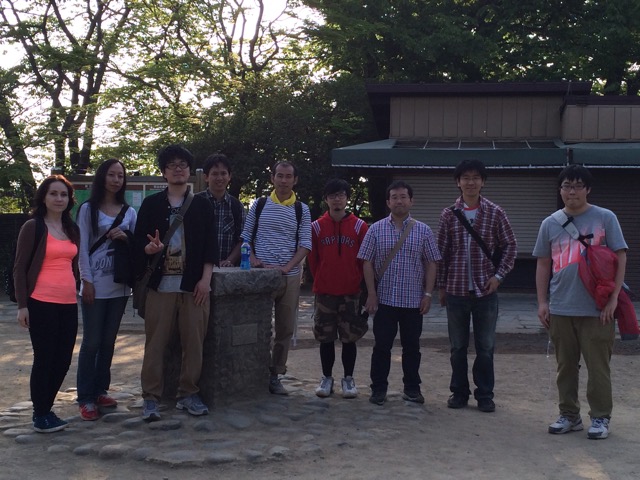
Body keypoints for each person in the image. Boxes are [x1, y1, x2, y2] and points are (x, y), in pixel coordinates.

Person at [533, 164, 627, 440]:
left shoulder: (605, 218)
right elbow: (542, 263)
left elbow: (621, 257)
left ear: (588, 189)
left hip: (597, 308)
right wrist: (542, 302)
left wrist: (613, 299)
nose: (571, 191)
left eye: (577, 186)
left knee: (598, 366)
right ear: (560, 190)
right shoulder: (549, 223)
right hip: (561, 306)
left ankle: (600, 418)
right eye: (566, 186)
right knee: (565, 366)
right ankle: (569, 415)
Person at [134, 144, 217, 421]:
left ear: (190, 171)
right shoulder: (151, 204)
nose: (178, 169)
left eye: (183, 164)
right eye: (172, 165)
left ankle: (188, 393)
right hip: (160, 286)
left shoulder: (202, 204)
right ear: (164, 173)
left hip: (193, 286)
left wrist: (205, 281)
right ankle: (150, 397)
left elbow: (209, 247)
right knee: (155, 343)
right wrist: (148, 250)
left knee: (194, 343)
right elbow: (138, 244)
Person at [436, 159, 517, 413]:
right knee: (457, 347)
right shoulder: (449, 214)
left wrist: (499, 276)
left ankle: (485, 395)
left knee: (485, 347)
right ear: (458, 182)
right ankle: (459, 392)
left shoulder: (495, 212)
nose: (470, 182)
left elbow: (510, 246)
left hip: (486, 292)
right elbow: (441, 252)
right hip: (456, 291)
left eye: (475, 177)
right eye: (465, 178)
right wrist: (441, 286)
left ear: (483, 181)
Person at [358, 180, 440, 406]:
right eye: (394, 197)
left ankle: (412, 388)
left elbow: (432, 262)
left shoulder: (423, 230)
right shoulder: (375, 229)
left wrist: (428, 294)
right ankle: (378, 389)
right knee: (381, 347)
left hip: (413, 301)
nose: (399, 201)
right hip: (384, 299)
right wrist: (371, 293)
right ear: (388, 202)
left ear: (411, 201)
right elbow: (366, 261)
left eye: (403, 196)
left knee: (412, 348)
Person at [14, 175, 80, 433]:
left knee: (63, 359)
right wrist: (22, 305)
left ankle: (46, 408)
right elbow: (19, 268)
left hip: (68, 302)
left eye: (63, 194)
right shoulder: (33, 227)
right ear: (44, 197)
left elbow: (73, 266)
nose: (59, 199)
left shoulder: (71, 229)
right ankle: (40, 414)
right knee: (44, 358)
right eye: (54, 193)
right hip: (40, 301)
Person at [241, 161, 312, 395]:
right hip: (260, 275)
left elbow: (305, 245)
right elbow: (246, 237)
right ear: (272, 178)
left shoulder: (301, 209)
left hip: (289, 276)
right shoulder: (260, 204)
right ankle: (252, 371)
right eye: (279, 176)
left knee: (284, 328)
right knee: (256, 325)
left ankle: (275, 373)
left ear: (295, 180)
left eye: (288, 176)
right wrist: (252, 258)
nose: (283, 180)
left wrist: (286, 267)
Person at [76, 159, 137, 421]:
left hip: (119, 285)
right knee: (91, 342)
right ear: (102, 177)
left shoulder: (129, 212)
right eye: (111, 175)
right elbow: (81, 248)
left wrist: (126, 237)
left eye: (120, 176)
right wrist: (86, 281)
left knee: (109, 342)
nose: (116, 180)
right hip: (94, 285)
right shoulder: (88, 209)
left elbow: (137, 247)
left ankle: (101, 389)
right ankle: (86, 397)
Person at [308, 179, 369, 399]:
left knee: (349, 338)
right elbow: (312, 260)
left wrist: (361, 286)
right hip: (325, 292)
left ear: (347, 198)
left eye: (341, 195)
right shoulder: (316, 227)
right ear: (326, 199)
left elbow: (364, 260)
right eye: (332, 195)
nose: (337, 199)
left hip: (351, 292)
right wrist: (323, 279)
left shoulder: (359, 226)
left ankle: (349, 378)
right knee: (325, 337)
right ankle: (326, 377)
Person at [196, 153, 245, 267]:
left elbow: (242, 239)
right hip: (198, 267)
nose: (219, 178)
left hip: (227, 270)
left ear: (229, 176)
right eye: (214, 174)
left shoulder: (236, 206)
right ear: (206, 177)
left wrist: (229, 260)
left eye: (223, 173)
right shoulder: (195, 202)